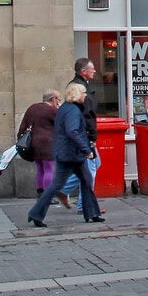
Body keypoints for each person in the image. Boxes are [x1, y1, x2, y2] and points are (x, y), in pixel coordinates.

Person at [27, 82, 103, 227]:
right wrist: (86, 150)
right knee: (57, 185)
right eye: (83, 93)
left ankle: (92, 213)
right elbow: (72, 131)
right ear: (76, 95)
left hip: (68, 153)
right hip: (70, 154)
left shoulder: (65, 108)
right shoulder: (73, 111)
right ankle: (36, 213)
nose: (85, 95)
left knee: (86, 180)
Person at [18, 88, 64, 207]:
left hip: (33, 143)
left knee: (40, 168)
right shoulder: (52, 110)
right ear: (53, 99)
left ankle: (40, 194)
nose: (58, 102)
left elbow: (23, 126)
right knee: (49, 169)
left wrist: (20, 138)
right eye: (58, 99)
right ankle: (47, 197)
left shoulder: (32, 108)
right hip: (47, 143)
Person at [74, 56, 104, 196]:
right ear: (83, 71)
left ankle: (61, 188)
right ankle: (84, 204)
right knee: (90, 169)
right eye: (92, 68)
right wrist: (89, 135)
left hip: (85, 135)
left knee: (94, 165)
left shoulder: (84, 85)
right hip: (84, 135)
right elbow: (86, 114)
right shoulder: (79, 87)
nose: (94, 71)